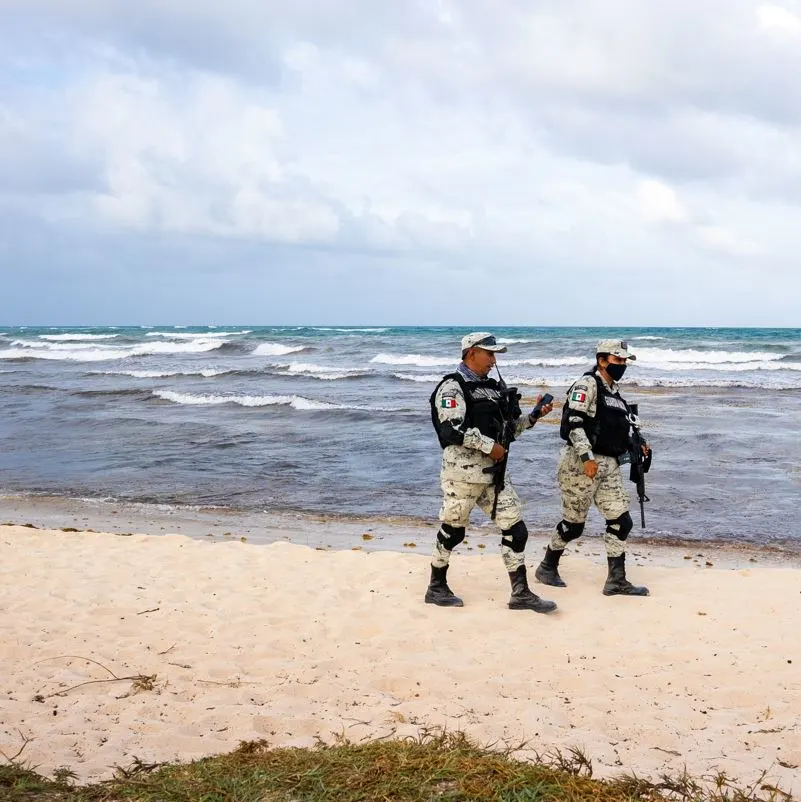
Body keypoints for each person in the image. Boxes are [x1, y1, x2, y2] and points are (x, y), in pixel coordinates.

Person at [426, 332, 557, 613]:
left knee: (516, 529)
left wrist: (534, 416)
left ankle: (520, 593)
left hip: (494, 475)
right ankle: (436, 586)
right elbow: (451, 430)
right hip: (462, 474)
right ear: (471, 353)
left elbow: (508, 433)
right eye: (490, 354)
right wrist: (489, 446)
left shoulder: (494, 388)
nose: (494, 360)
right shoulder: (453, 387)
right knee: (453, 531)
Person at [535, 339, 651, 596]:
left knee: (621, 520)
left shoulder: (615, 393)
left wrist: (638, 443)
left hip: (608, 465)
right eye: (617, 360)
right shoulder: (587, 385)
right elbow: (573, 423)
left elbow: (617, 428)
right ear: (602, 360)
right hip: (580, 464)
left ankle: (616, 581)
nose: (622, 365)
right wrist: (587, 458)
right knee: (574, 525)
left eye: (624, 361)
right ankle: (547, 566)